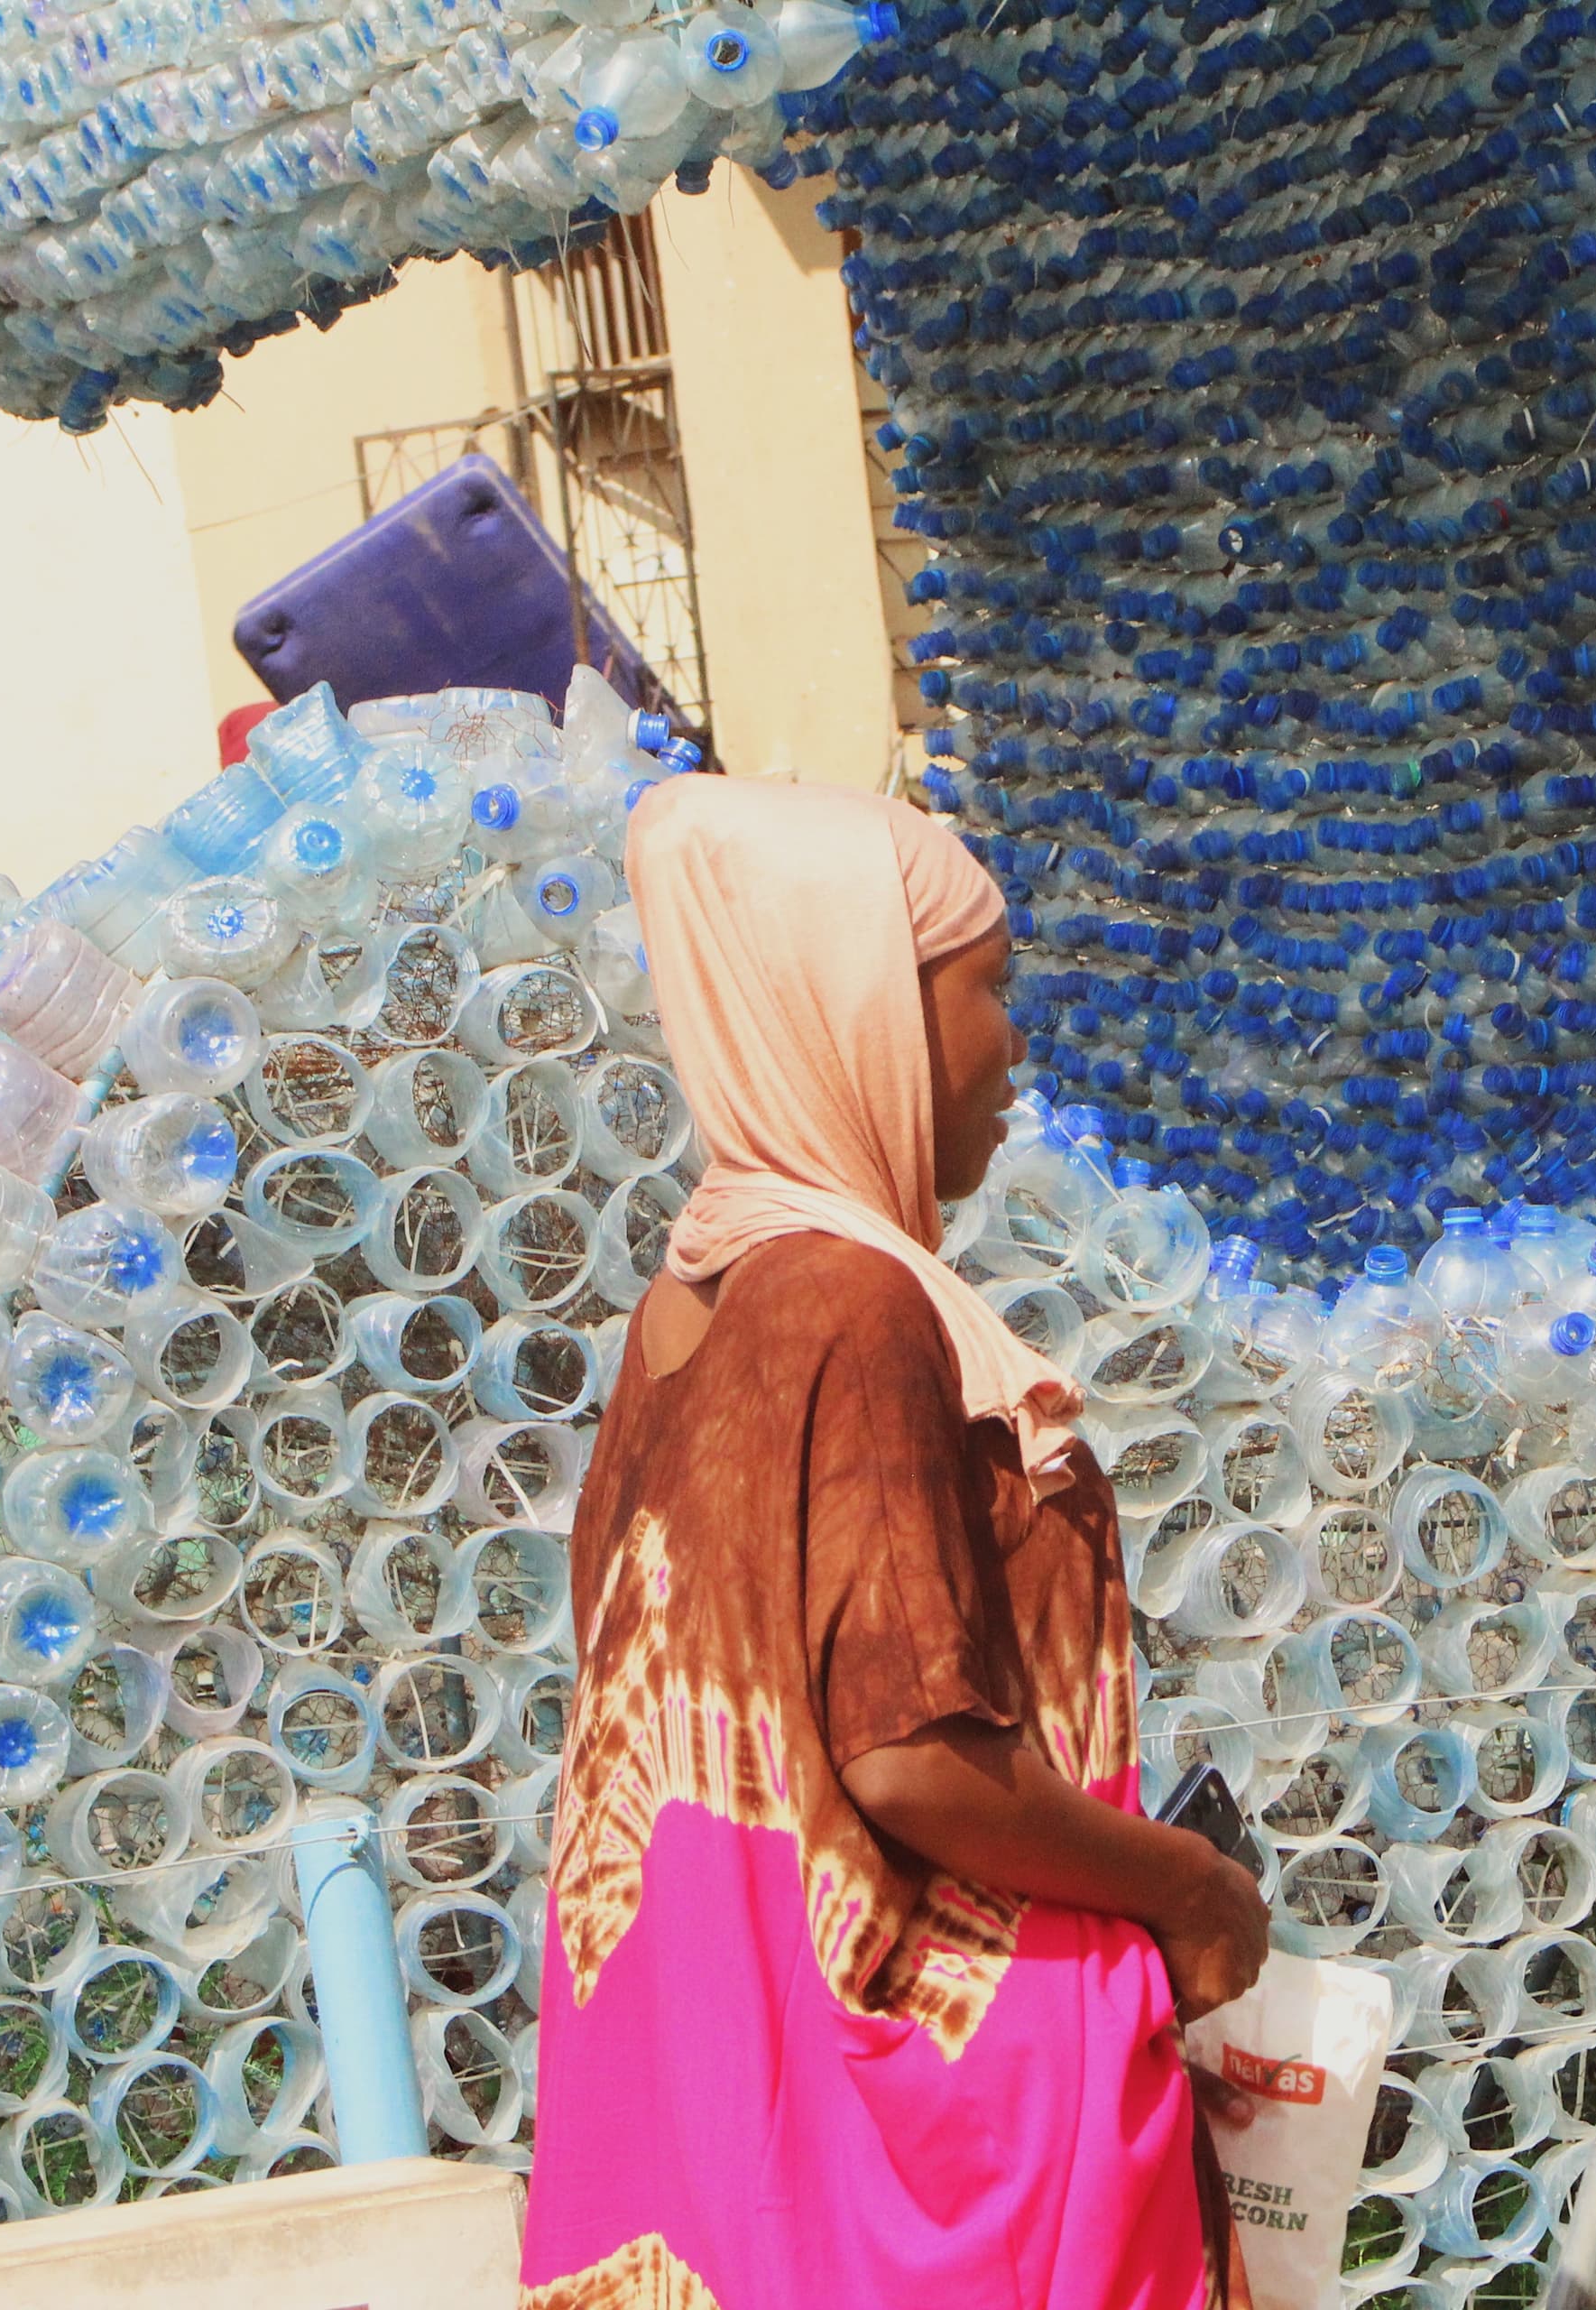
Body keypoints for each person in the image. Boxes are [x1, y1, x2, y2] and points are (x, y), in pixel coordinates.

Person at [520, 777, 1269, 2310]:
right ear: (854, 1005)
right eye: (985, 990)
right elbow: (908, 1757)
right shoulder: (855, 1306)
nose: (1011, 1044)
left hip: (720, 2138)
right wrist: (1189, 1887)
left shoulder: (683, 1317)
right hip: (921, 2159)